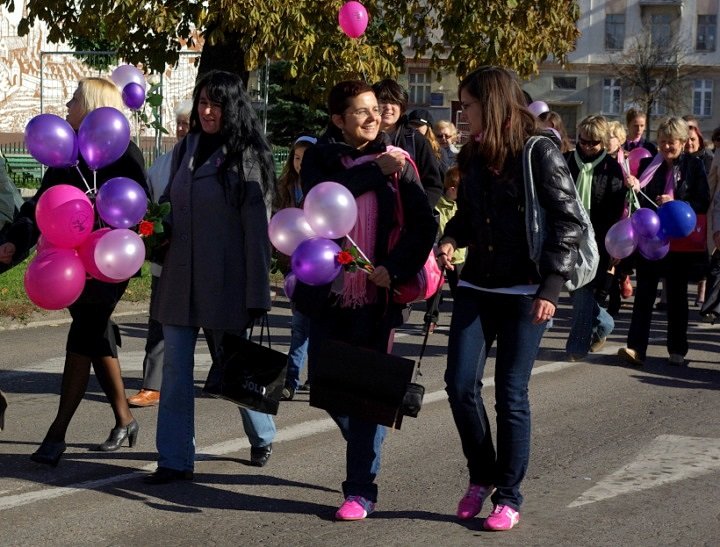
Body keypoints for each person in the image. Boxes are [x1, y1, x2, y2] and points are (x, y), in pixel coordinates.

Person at [437, 66, 584, 531]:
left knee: (510, 395)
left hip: (527, 292)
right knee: (460, 386)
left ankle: (509, 495)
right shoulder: (477, 152)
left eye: (470, 105)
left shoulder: (539, 150)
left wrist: (552, 288)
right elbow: (468, 213)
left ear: (493, 104)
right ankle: (481, 475)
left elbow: (567, 221)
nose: (463, 115)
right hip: (478, 284)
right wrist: (450, 238)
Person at [299, 80, 436, 520]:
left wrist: (392, 269)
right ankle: (370, 423)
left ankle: (360, 489)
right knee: (327, 383)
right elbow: (325, 196)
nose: (373, 117)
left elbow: (423, 224)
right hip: (329, 290)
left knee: (364, 392)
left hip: (376, 296)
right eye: (360, 111)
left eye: (375, 109)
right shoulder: (322, 157)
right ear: (338, 119)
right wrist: (375, 169)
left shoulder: (400, 162)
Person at [0, 77, 148, 466]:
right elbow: (40, 209)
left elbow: (139, 209)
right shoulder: (65, 156)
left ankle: (57, 433)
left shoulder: (125, 153)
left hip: (111, 263)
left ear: (92, 105)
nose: (66, 106)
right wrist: (17, 238)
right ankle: (124, 419)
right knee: (94, 335)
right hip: (70, 265)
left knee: (82, 335)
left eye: (74, 100)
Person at [144, 70, 277, 484]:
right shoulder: (188, 147)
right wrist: (153, 232)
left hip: (227, 284)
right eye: (202, 102)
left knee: (234, 369)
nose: (205, 111)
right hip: (179, 283)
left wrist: (257, 293)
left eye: (214, 104)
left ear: (232, 107)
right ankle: (175, 459)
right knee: (176, 374)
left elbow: (258, 232)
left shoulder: (247, 156)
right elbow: (167, 204)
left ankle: (262, 434)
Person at [618, 117, 710, 367]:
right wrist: (635, 186)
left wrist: (676, 203)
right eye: (662, 142)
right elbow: (639, 199)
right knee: (644, 295)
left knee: (677, 298)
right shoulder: (649, 163)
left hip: (678, 241)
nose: (666, 147)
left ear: (682, 142)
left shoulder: (694, 165)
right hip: (651, 239)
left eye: (671, 142)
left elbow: (703, 200)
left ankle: (677, 350)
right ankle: (636, 348)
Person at [127, 100, 193, 408]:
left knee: (215, 330)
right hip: (165, 259)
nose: (182, 129)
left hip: (201, 262)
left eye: (187, 124)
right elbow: (149, 202)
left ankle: (224, 376)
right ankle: (152, 384)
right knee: (159, 319)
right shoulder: (164, 163)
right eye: (179, 123)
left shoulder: (216, 161)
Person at [564, 115, 626, 359]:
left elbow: (615, 214)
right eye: (583, 142)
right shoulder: (567, 161)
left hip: (598, 242)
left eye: (593, 143)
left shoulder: (613, 170)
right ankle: (605, 324)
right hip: (567, 237)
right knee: (572, 289)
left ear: (602, 142)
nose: (587, 147)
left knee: (583, 292)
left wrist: (614, 250)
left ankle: (576, 347)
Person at [273, 135, 317, 401]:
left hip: (318, 264)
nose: (301, 164)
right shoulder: (285, 187)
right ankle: (292, 379)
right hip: (291, 264)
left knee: (310, 325)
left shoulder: (321, 188)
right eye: (297, 158)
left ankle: (304, 376)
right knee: (300, 325)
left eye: (307, 158)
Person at [372, 79, 443, 207]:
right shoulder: (362, 138)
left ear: (402, 107)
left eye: (394, 102)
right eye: (382, 101)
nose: (388, 107)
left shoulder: (416, 140)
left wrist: (418, 212)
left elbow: (433, 185)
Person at [424, 166, 465, 334]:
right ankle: (430, 319)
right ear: (452, 189)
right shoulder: (437, 206)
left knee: (460, 292)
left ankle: (460, 320)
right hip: (437, 255)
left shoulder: (461, 206)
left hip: (458, 257)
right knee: (434, 290)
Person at [684, 122, 714, 305]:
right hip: (684, 212)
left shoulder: (707, 159)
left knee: (702, 254)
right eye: (686, 140)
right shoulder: (679, 160)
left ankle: (701, 291)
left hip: (704, 211)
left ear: (699, 140)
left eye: (693, 139)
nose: (689, 143)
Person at [408, 108, 448, 175]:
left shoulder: (438, 152)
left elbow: (443, 176)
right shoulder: (404, 146)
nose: (414, 128)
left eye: (418, 125)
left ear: (428, 128)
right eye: (412, 124)